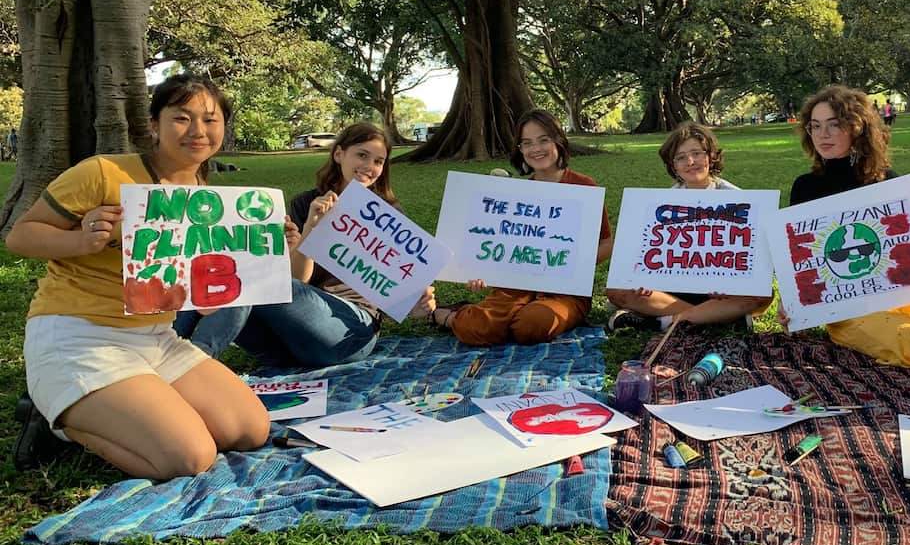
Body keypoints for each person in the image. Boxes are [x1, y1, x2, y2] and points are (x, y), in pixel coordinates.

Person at [7, 73, 269, 477]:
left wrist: (266, 247)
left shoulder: (204, 194)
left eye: (211, 119)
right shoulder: (103, 173)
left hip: (156, 339)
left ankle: (132, 406)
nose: (198, 130)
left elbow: (200, 281)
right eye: (182, 118)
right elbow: (20, 237)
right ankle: (56, 422)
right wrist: (82, 240)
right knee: (189, 458)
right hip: (80, 337)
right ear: (154, 125)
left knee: (249, 429)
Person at [175, 123, 435, 366]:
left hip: (349, 332)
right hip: (286, 340)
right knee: (218, 271)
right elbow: (297, 279)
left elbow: (400, 289)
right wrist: (311, 228)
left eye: (378, 161)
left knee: (250, 278)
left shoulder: (387, 214)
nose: (370, 166)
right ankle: (163, 349)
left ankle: (190, 365)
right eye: (362, 155)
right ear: (339, 155)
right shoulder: (306, 203)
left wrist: (417, 303)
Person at [778, 84, 910, 326]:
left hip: (894, 297)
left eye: (834, 124)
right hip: (844, 309)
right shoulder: (805, 187)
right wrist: (790, 301)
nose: (822, 134)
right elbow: (802, 259)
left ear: (857, 128)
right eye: (815, 126)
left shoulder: (886, 180)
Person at [433, 110, 613, 346]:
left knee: (532, 325)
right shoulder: (515, 199)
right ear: (520, 150)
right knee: (474, 329)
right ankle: (446, 315)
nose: (535, 149)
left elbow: (606, 243)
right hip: (514, 288)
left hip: (565, 291)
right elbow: (498, 248)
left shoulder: (584, 187)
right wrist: (479, 271)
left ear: (558, 140)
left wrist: (575, 265)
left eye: (543, 140)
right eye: (526, 143)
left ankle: (509, 321)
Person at [605, 122, 771, 332]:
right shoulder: (658, 205)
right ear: (673, 165)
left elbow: (751, 261)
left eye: (697, 153)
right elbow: (643, 256)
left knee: (761, 294)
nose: (690, 162)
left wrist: (730, 283)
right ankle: (715, 318)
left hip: (720, 292)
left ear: (710, 156)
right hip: (671, 291)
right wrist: (642, 279)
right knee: (617, 290)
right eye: (681, 157)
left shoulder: (740, 201)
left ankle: (662, 322)